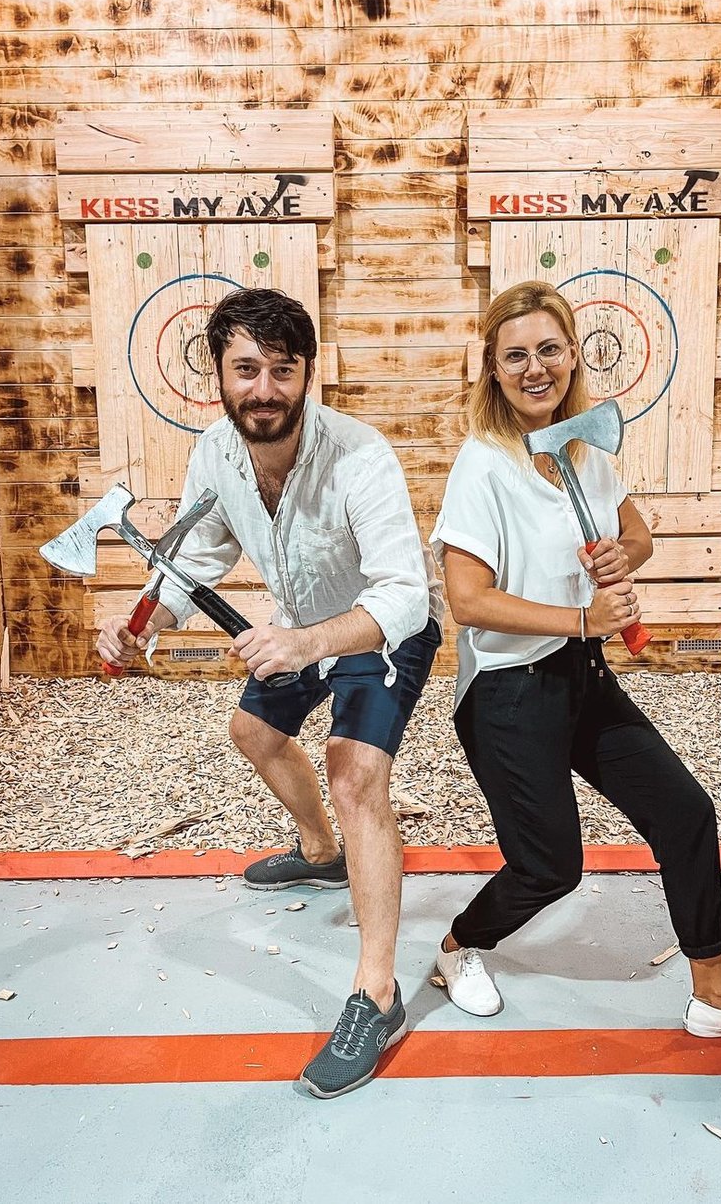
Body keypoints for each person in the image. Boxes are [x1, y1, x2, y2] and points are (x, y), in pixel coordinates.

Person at [428, 280, 721, 1043]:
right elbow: (467, 600)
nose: (534, 367)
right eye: (515, 356)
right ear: (493, 370)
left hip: (582, 678)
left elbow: (635, 535)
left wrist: (618, 553)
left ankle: (718, 995)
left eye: (548, 349)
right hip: (507, 691)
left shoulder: (585, 449)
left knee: (684, 813)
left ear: (572, 355)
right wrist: (581, 615)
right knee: (550, 868)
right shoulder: (484, 466)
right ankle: (457, 947)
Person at [97, 288, 444, 1098]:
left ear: (306, 375)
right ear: (218, 374)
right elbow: (199, 553)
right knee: (251, 734)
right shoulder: (216, 454)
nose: (264, 389)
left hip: (377, 629)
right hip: (302, 625)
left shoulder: (361, 454)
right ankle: (321, 856)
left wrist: (308, 642)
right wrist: (144, 621)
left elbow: (406, 597)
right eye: (246, 369)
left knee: (355, 774)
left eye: (282, 371)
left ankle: (379, 994)